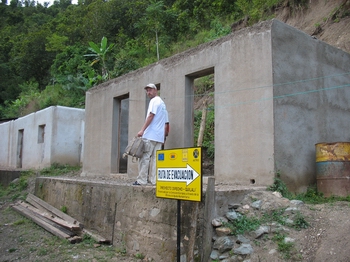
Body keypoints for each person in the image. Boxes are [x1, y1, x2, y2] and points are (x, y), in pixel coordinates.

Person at [133, 83, 167, 186]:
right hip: (159, 137)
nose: (148, 92)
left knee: (145, 157)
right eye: (147, 91)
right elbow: (165, 122)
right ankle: (155, 180)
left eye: (150, 90)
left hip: (151, 135)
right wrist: (163, 136)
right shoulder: (162, 103)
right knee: (156, 159)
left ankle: (142, 180)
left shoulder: (154, 101)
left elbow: (151, 115)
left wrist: (142, 130)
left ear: (155, 90)